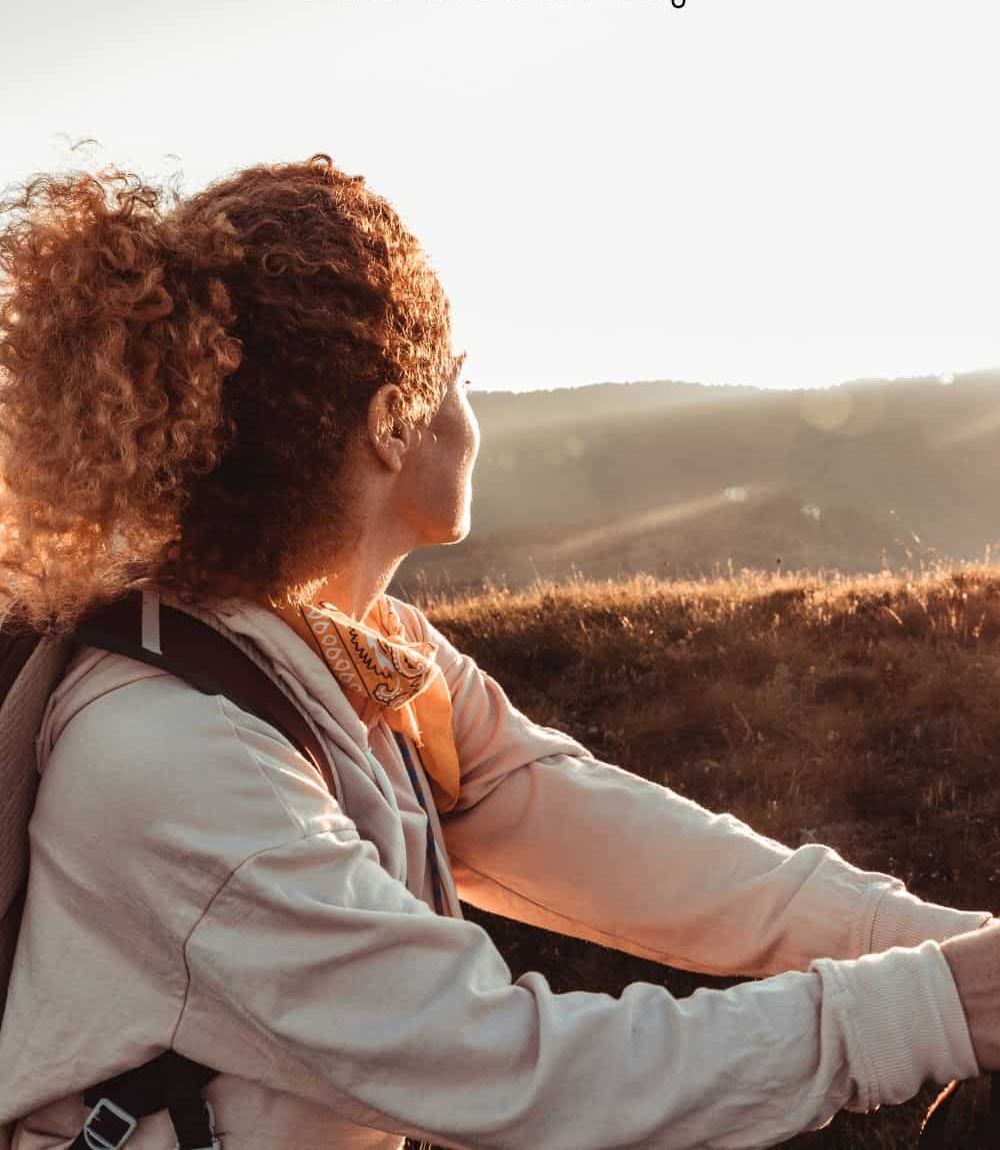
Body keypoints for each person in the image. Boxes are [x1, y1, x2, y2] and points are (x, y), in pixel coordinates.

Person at [0, 152, 998, 1150]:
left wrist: (956, 956)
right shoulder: (175, 755)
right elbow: (516, 1073)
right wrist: (934, 1008)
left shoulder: (367, 656)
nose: (469, 414)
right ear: (391, 422)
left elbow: (640, 852)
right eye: (458, 380)